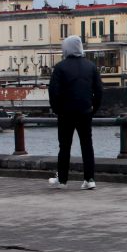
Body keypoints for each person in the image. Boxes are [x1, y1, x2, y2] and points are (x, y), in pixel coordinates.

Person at [47, 35, 103, 190]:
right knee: (87, 145)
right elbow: (99, 91)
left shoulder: (60, 67)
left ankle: (63, 180)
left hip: (65, 112)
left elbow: (53, 92)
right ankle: (89, 179)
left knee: (64, 146)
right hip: (85, 111)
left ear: (66, 48)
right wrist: (93, 109)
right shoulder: (91, 66)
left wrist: (57, 109)